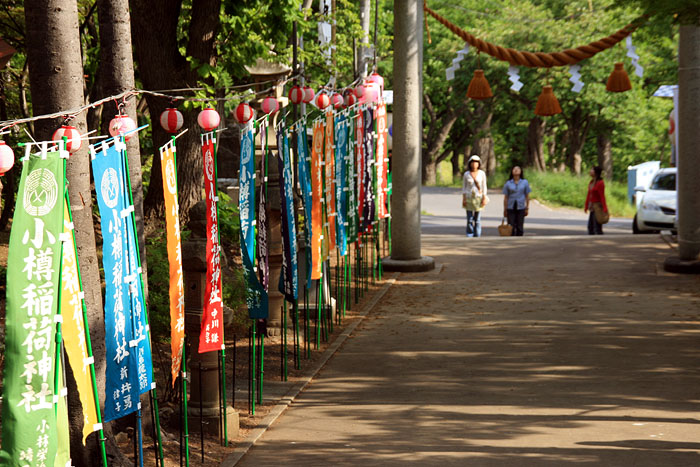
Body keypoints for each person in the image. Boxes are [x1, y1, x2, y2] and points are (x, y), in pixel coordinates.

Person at [461, 155, 488, 237]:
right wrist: (464, 199)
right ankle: (470, 233)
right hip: (469, 197)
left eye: (476, 162)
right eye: (473, 162)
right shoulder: (466, 174)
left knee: (477, 219)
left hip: (478, 197)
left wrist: (484, 197)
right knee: (469, 219)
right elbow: (464, 187)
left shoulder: (482, 173)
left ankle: (477, 234)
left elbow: (484, 186)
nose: (474, 164)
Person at [502, 165, 531, 236]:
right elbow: (506, 197)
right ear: (512, 172)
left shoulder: (525, 182)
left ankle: (519, 239)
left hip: (521, 206)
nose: (516, 170)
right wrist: (505, 209)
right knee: (511, 225)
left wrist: (527, 207)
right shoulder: (508, 183)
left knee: (520, 225)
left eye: (518, 169)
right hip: (510, 206)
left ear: (521, 171)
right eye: (514, 169)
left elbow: (527, 196)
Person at [584, 166, 608, 235]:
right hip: (592, 206)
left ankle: (599, 238)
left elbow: (602, 196)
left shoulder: (600, 183)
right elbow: (589, 195)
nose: (590, 171)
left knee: (597, 226)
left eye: (592, 170)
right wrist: (586, 206)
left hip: (597, 206)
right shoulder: (591, 182)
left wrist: (604, 208)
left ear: (596, 172)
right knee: (590, 226)